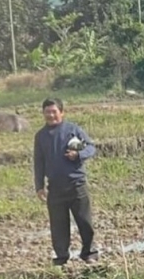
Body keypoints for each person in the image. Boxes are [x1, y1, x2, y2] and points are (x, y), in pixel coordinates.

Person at [33, 98, 97, 267]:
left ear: (61, 112)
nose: (51, 115)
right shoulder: (40, 136)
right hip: (55, 187)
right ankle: (61, 256)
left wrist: (78, 155)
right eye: (48, 112)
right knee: (58, 225)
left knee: (84, 221)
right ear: (43, 113)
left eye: (54, 112)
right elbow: (38, 162)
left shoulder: (73, 130)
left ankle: (89, 253)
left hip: (76, 184)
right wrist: (39, 186)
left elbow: (91, 147)